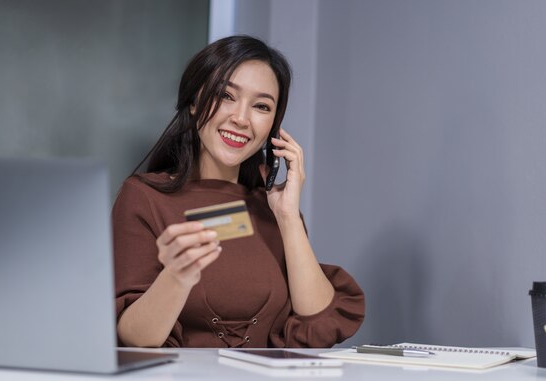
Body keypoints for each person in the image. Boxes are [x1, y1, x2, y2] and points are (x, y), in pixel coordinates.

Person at [113, 35, 365, 348]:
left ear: (274, 124)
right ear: (193, 103)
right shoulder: (144, 198)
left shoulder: (273, 210)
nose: (241, 119)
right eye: (226, 96)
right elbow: (132, 339)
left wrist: (288, 218)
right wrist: (176, 277)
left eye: (261, 106)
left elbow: (318, 324)